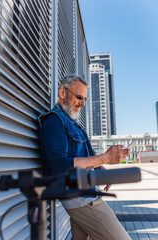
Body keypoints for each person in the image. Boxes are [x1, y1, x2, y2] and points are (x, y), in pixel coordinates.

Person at [39, 74, 131, 240]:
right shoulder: (54, 121)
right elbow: (58, 167)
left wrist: (99, 169)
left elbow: (84, 156)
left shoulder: (73, 123)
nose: (82, 103)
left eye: (85, 99)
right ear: (62, 93)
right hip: (80, 198)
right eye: (79, 97)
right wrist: (104, 158)